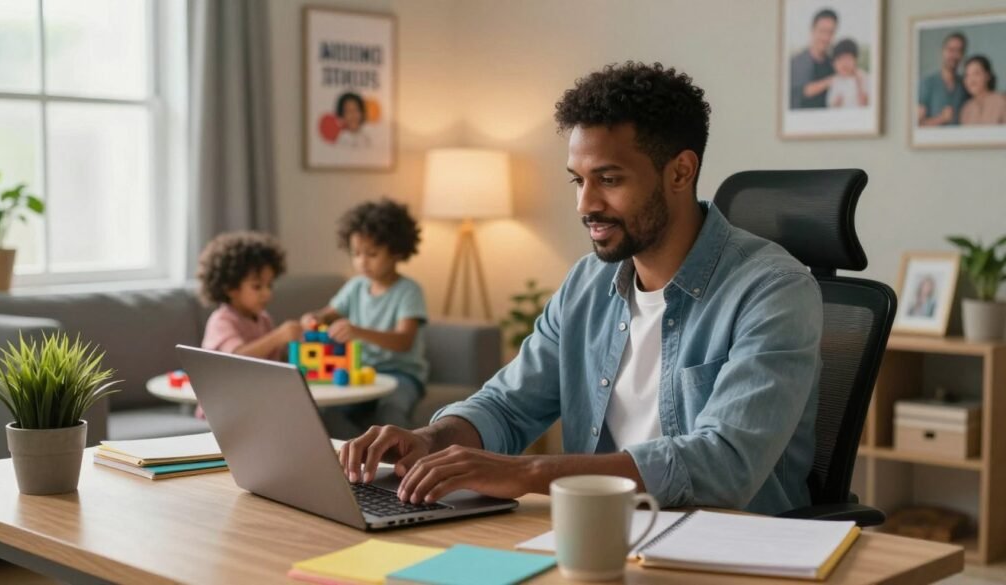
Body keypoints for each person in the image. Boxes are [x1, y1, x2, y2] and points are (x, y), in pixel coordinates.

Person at [340, 62, 823, 516]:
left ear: (680, 171)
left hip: (726, 548)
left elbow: (723, 464)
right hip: (594, 534)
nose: (585, 204)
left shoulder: (774, 290)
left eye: (609, 179)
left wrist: (528, 472)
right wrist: (432, 438)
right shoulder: (586, 283)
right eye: (578, 180)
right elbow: (508, 405)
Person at [301, 198, 427, 438]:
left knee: (391, 412)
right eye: (356, 253)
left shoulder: (409, 291)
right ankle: (355, 457)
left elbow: (404, 341)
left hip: (402, 374)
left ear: (396, 252)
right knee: (331, 414)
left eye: (372, 253)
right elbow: (327, 314)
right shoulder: (356, 286)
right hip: (360, 372)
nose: (362, 261)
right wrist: (313, 318)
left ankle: (403, 466)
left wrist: (358, 331)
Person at [198, 231, 302, 361]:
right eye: (257, 286)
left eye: (269, 285)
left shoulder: (264, 320)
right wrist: (278, 337)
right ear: (231, 288)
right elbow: (237, 359)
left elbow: (274, 361)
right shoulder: (221, 321)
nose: (267, 293)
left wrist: (292, 342)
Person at [790, 8, 838, 109]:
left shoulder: (833, 64)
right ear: (812, 31)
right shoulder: (796, 62)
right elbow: (797, 94)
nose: (826, 37)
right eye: (822, 31)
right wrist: (828, 82)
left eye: (830, 32)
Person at [918, 32, 968, 126]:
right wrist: (941, 119)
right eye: (951, 50)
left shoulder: (965, 83)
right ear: (943, 51)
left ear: (963, 55)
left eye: (959, 51)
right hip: (934, 140)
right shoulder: (927, 83)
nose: (954, 55)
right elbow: (917, 125)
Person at [959, 56, 1006, 126]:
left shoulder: (1001, 101)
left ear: (987, 76)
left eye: (976, 73)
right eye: (967, 75)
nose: (971, 80)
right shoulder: (966, 109)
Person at [826, 38, 869, 108]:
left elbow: (865, 105)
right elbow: (831, 106)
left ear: (855, 59)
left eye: (848, 59)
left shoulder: (863, 77)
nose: (844, 64)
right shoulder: (835, 81)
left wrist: (859, 84)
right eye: (840, 60)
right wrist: (836, 104)